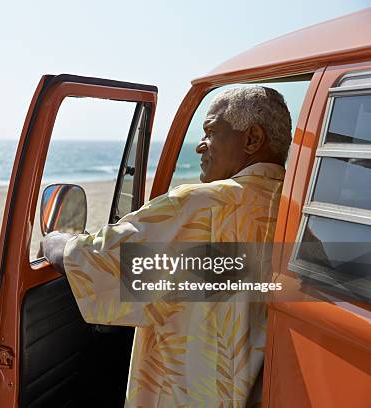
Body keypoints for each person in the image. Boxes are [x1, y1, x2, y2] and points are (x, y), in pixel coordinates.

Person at [40, 86, 292, 407]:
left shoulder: (200, 206)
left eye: (211, 132)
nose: (201, 146)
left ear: (252, 139)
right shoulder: (300, 207)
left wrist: (56, 240)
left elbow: (95, 261)